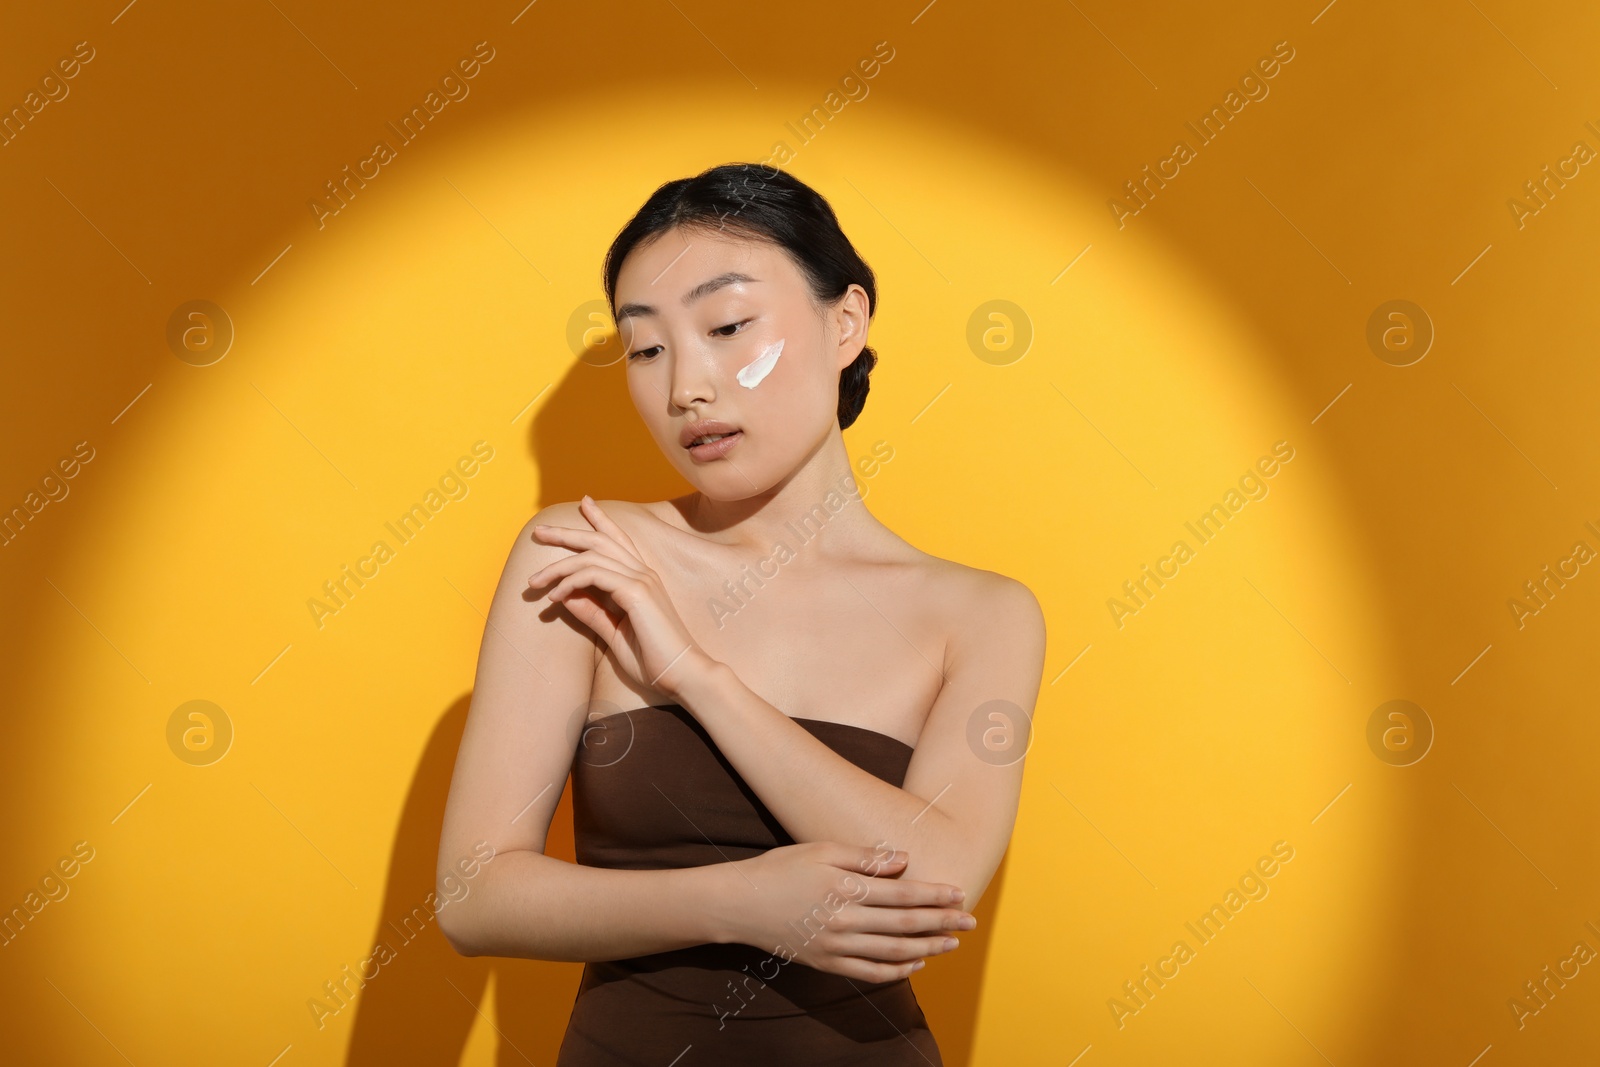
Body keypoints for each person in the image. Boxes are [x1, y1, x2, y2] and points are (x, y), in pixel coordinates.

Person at [436, 162, 1047, 1064]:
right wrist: (743, 900)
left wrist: (694, 675)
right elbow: (472, 895)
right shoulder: (587, 555)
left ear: (846, 322)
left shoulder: (981, 613)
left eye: (727, 327)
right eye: (646, 349)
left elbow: (936, 882)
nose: (686, 385)